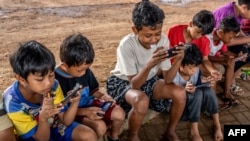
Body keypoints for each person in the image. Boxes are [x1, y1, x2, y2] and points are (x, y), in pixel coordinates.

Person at [106, 0, 186, 141]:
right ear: (135, 30)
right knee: (141, 100)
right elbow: (135, 85)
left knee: (179, 92)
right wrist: (149, 64)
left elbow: (168, 79)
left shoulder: (163, 41)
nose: (154, 39)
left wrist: (178, 60)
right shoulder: (127, 45)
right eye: (148, 35)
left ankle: (170, 131)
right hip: (122, 82)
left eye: (158, 33)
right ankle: (133, 136)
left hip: (149, 79)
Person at [3, 40, 97, 141]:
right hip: (35, 136)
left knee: (88, 135)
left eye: (51, 75)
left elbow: (66, 120)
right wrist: (43, 118)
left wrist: (75, 102)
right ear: (21, 79)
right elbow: (41, 139)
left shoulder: (54, 86)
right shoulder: (13, 102)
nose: (48, 83)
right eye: (40, 79)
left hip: (54, 125)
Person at [55, 33, 125, 141]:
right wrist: (85, 112)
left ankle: (113, 137)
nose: (83, 73)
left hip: (88, 104)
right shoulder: (55, 80)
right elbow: (61, 112)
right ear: (64, 65)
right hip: (72, 113)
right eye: (79, 70)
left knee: (119, 113)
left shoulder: (84, 70)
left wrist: (103, 96)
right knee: (100, 127)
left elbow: (94, 91)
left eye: (86, 69)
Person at [173, 43, 223, 141]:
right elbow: (170, 99)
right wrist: (183, 89)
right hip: (179, 111)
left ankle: (217, 125)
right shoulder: (173, 75)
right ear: (180, 64)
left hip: (194, 109)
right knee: (197, 93)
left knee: (208, 90)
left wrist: (207, 82)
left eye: (196, 67)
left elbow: (199, 84)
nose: (194, 71)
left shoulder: (196, 72)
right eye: (191, 68)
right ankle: (194, 132)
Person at [196, 16, 241, 110]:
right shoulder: (206, 39)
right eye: (230, 37)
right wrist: (223, 60)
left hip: (207, 60)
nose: (231, 40)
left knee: (231, 62)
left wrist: (236, 56)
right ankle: (212, 103)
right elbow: (204, 58)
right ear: (220, 32)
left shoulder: (222, 39)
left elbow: (224, 52)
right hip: (198, 61)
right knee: (213, 72)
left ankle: (226, 92)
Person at [166, 9, 222, 84]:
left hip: (190, 66)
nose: (199, 36)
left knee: (212, 77)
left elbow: (205, 60)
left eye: (203, 34)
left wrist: (212, 70)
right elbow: (167, 53)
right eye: (198, 32)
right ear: (191, 24)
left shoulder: (204, 40)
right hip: (173, 65)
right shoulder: (174, 31)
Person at [213, 0, 250, 97]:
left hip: (223, 43)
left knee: (245, 51)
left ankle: (232, 78)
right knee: (245, 52)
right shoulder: (226, 13)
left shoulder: (237, 11)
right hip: (216, 46)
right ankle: (230, 82)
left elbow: (236, 31)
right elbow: (225, 40)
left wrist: (246, 40)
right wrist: (248, 39)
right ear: (244, 7)